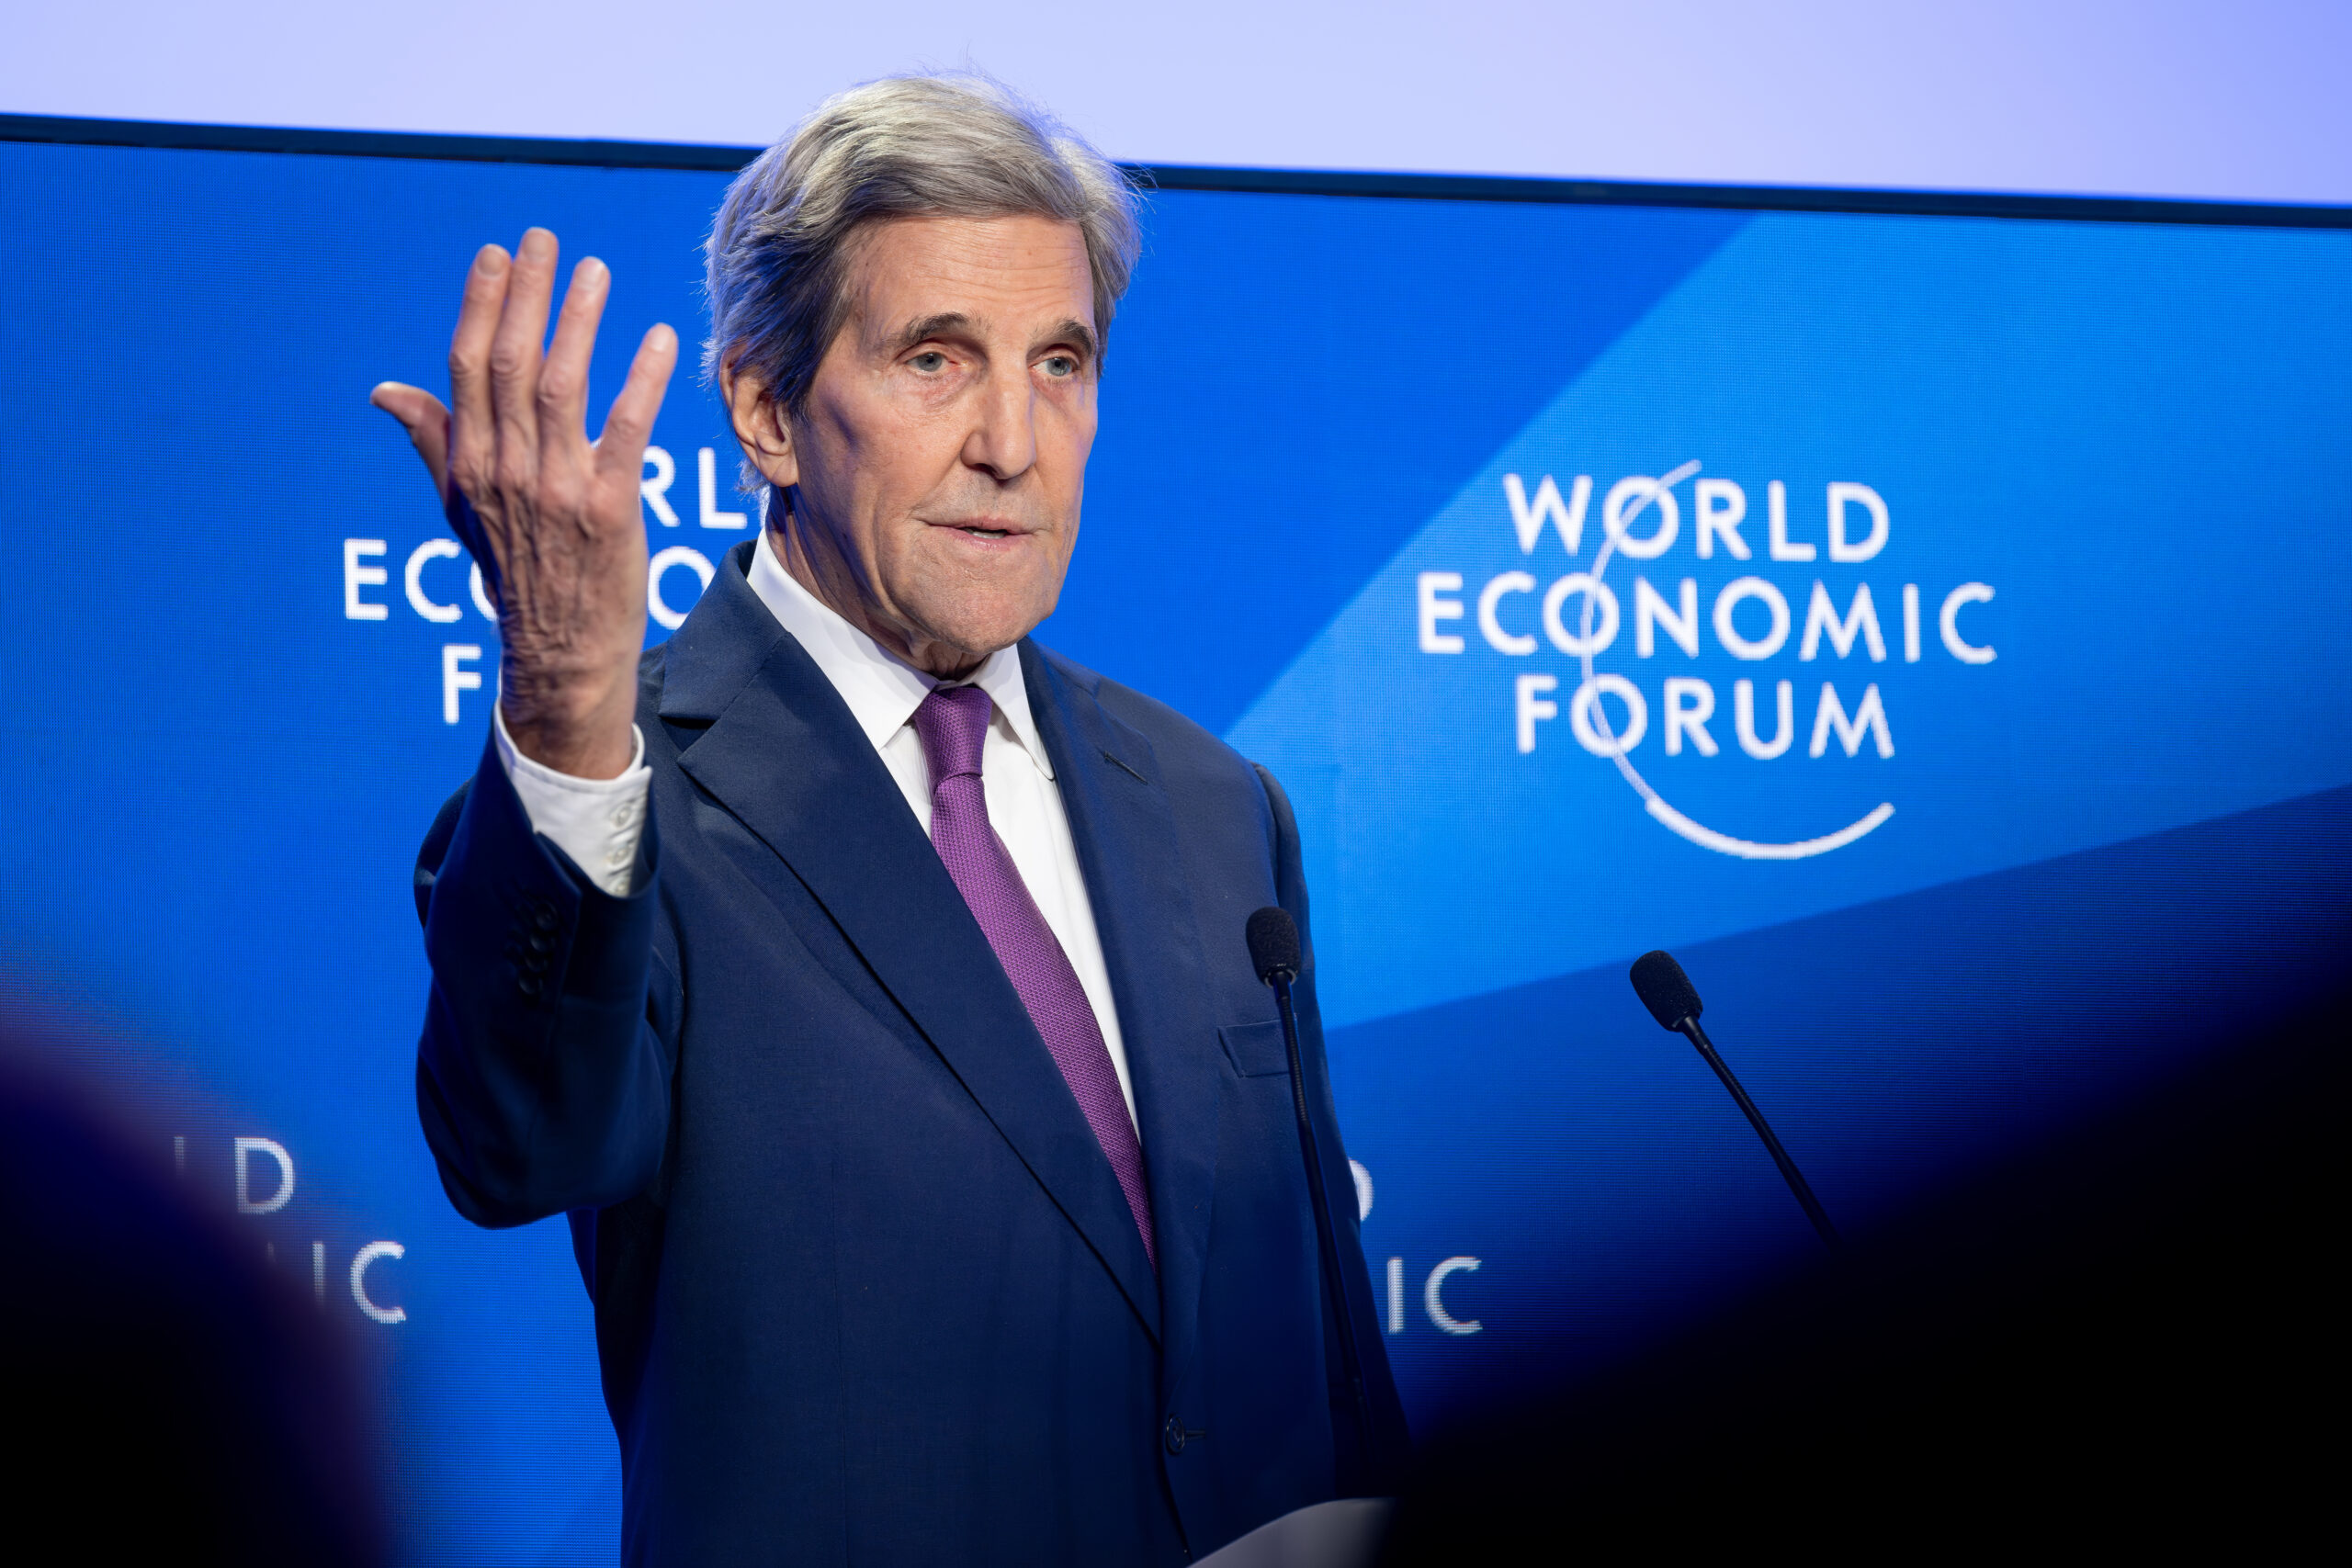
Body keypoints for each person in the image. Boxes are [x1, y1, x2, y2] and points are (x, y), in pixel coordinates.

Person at [372, 73, 1408, 1563]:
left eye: (1061, 363)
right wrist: (563, 690)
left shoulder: (1208, 806)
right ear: (766, 408)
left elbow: (1332, 1363)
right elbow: (519, 1147)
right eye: (936, 358)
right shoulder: (619, 785)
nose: (1012, 439)